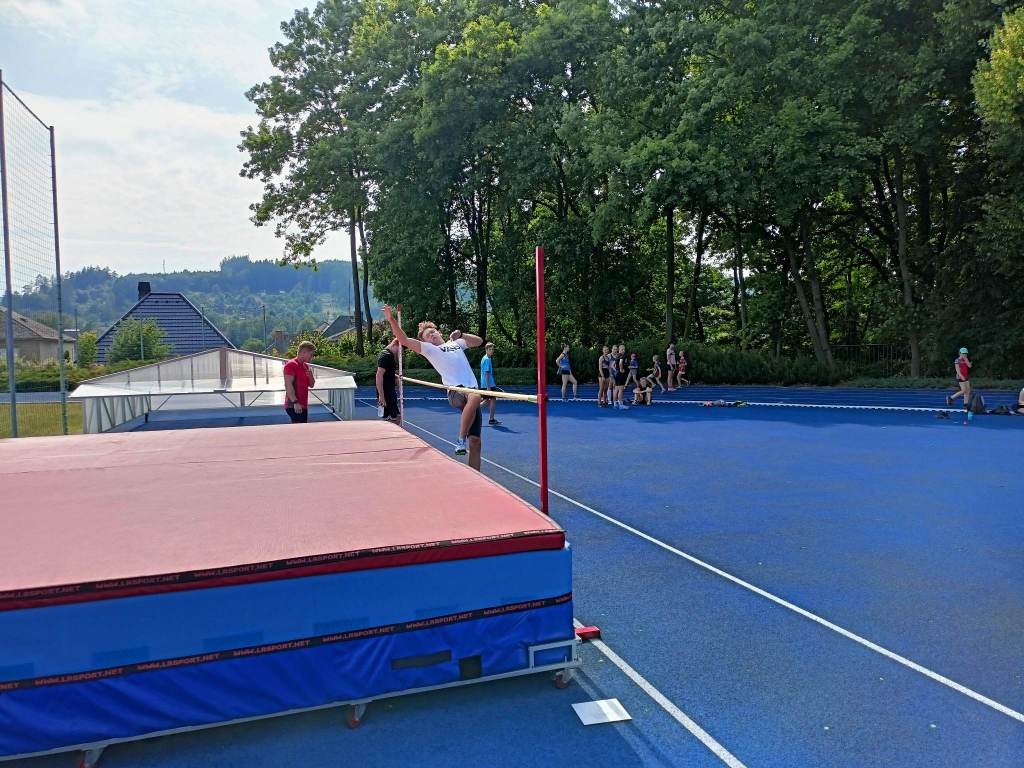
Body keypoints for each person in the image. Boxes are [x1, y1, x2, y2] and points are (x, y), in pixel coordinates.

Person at [382, 305, 484, 469]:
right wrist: (391, 319)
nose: (431, 335)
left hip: (471, 390)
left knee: (476, 441)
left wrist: (461, 334)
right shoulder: (429, 349)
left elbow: (479, 341)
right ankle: (460, 441)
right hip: (456, 392)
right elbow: (404, 340)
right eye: (427, 335)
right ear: (425, 342)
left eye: (432, 332)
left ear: (439, 332)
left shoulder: (456, 343)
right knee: (475, 396)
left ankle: (476, 475)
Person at [283, 340, 316, 423]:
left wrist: (310, 375)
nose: (312, 357)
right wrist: (295, 402)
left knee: (303, 428)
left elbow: (311, 385)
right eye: (311, 354)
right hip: (293, 405)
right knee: (300, 429)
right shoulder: (291, 364)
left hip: (303, 405)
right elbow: (288, 385)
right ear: (303, 352)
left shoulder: (306, 366)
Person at [375, 336, 401, 421]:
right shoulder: (386, 356)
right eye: (400, 350)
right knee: (394, 419)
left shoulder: (389, 355)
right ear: (395, 345)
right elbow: (379, 376)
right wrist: (381, 396)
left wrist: (395, 377)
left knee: (396, 417)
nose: (400, 353)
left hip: (389, 392)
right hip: (386, 393)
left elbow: (386, 373)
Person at [479, 341, 501, 426]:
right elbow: (486, 374)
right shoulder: (487, 359)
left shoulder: (486, 358)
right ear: (486, 349)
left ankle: (472, 411)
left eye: (492, 349)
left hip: (487, 384)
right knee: (491, 401)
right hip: (488, 385)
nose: (492, 351)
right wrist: (488, 387)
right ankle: (491, 419)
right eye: (490, 349)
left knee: (487, 401)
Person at [613, 345, 629, 409]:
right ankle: (621, 404)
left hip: (617, 374)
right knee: (621, 389)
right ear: (619, 350)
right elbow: (620, 363)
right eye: (622, 349)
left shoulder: (617, 356)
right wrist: (621, 369)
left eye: (624, 349)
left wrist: (616, 370)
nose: (623, 351)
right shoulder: (622, 355)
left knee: (616, 389)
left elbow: (612, 365)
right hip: (620, 374)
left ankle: (615, 404)